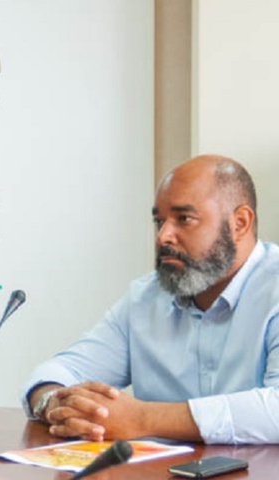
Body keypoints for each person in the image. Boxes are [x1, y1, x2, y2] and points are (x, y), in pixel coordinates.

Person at [22, 154, 279, 445]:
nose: (164, 236)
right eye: (159, 221)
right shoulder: (146, 298)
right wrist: (55, 403)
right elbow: (59, 371)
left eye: (184, 219)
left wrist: (143, 419)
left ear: (239, 223)